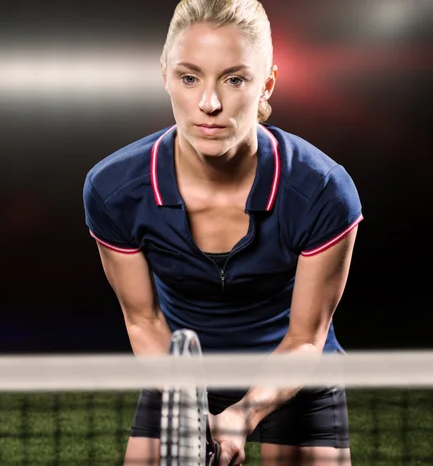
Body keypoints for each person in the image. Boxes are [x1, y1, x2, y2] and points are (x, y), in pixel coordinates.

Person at [82, 0, 362, 464]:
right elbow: (144, 322)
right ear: (166, 74)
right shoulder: (114, 189)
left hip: (292, 373)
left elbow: (306, 338)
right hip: (178, 377)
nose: (209, 104)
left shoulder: (322, 190)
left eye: (234, 79)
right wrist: (189, 408)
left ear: (267, 82)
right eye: (189, 78)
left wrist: (243, 415)